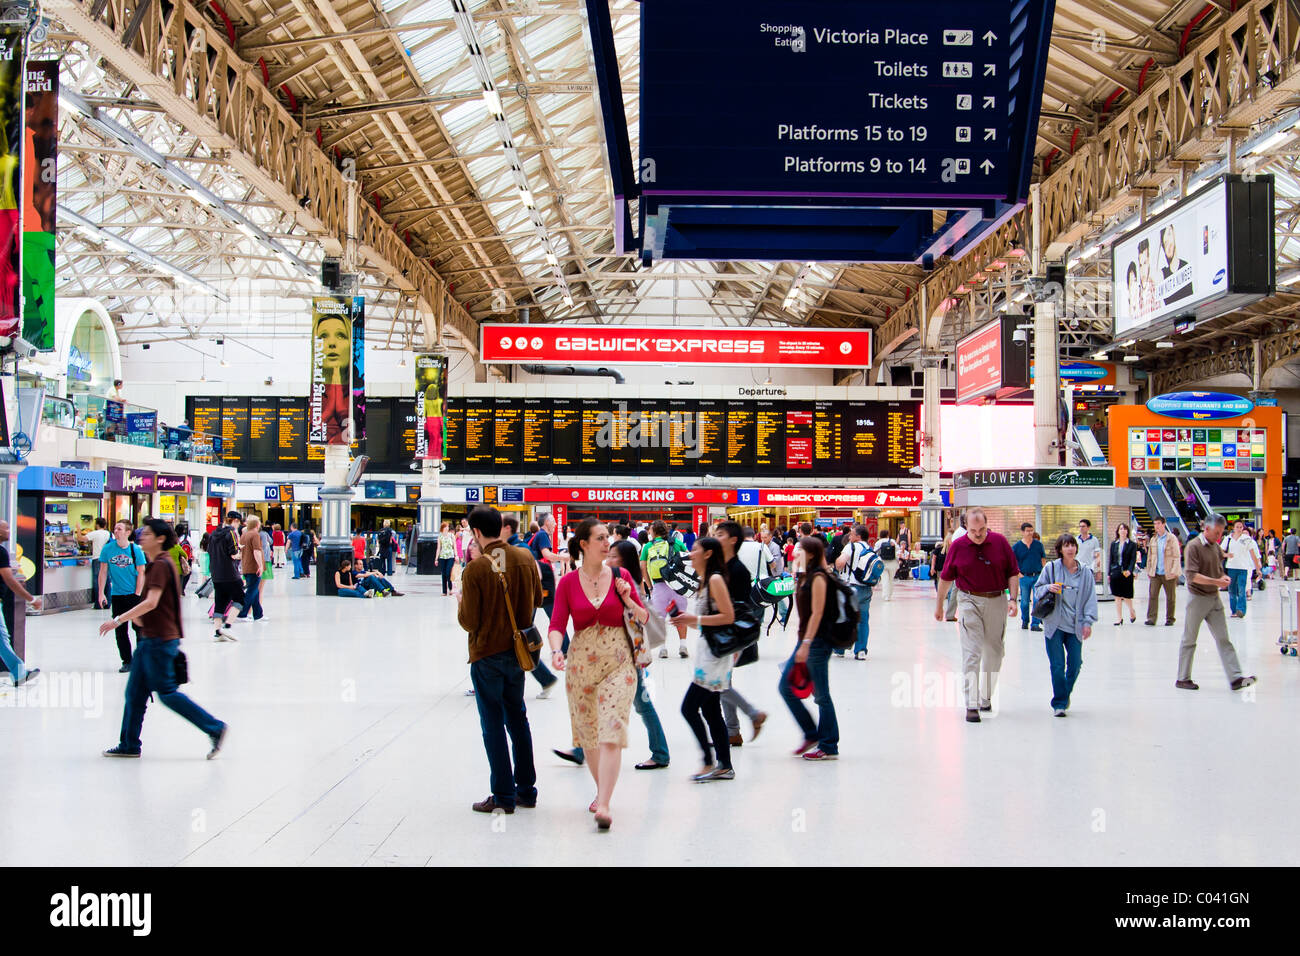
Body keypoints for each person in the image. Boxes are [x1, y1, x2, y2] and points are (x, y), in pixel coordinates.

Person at [546, 519, 648, 826]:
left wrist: (628, 597)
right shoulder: (567, 582)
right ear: (584, 545)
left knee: (611, 731)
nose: (608, 543)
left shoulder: (622, 575)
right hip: (580, 664)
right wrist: (556, 650)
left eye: (608, 537)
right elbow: (555, 625)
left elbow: (642, 617)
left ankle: (604, 804)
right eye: (600, 538)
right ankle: (600, 791)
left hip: (620, 661)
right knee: (589, 735)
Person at [101, 519, 228, 759]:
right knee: (135, 694)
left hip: (159, 640)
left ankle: (215, 727)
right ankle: (129, 743)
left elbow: (151, 602)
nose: (141, 536)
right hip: (151, 639)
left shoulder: (160, 564)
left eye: (147, 534)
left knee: (167, 693)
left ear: (160, 539)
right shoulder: (157, 563)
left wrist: (118, 620)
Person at [553, 539, 671, 772]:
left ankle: (660, 753)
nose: (608, 557)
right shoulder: (616, 579)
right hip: (612, 657)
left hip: (626, 657)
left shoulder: (625, 583)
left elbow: (634, 619)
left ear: (625, 559)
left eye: (614, 555)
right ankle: (581, 750)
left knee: (642, 705)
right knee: (612, 702)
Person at [458, 506, 542, 814]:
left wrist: (461, 601)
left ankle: (503, 795)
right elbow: (538, 599)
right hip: (518, 654)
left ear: (477, 532)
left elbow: (469, 621)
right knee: (518, 719)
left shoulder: (477, 568)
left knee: (492, 724)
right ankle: (527, 790)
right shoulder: (524, 558)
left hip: (487, 655)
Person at [935, 508, 1019, 723]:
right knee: (972, 652)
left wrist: (1013, 600)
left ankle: (985, 696)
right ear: (966, 528)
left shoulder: (1000, 542)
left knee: (995, 652)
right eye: (973, 530)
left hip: (997, 599)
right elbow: (946, 578)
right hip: (969, 599)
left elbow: (1012, 572)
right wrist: (939, 606)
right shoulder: (959, 546)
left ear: (986, 525)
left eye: (982, 529)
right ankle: (971, 703)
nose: (978, 534)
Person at [671, 536, 739, 780]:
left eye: (696, 549)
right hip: (706, 654)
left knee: (689, 708)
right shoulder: (704, 581)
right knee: (711, 711)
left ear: (708, 553)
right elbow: (706, 622)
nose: (691, 553)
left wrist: (694, 620)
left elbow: (728, 616)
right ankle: (723, 765)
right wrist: (686, 620)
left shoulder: (716, 579)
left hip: (714, 658)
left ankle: (709, 761)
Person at [1176, 514, 1256, 692]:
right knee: (1190, 639)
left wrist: (1222, 577)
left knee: (1224, 639)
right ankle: (1183, 678)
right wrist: (1217, 582)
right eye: (1217, 532)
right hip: (1197, 598)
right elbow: (1192, 576)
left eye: (1221, 532)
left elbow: (1218, 570)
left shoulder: (1215, 547)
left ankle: (1236, 678)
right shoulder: (1193, 547)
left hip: (1214, 599)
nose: (1219, 536)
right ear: (1207, 529)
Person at [777, 535, 840, 759]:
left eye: (800, 550)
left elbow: (817, 613)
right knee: (785, 687)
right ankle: (811, 733)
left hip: (817, 642)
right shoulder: (804, 576)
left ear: (812, 554)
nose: (794, 553)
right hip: (806, 641)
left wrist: (806, 643)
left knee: (821, 695)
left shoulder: (819, 578)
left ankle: (829, 745)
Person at [713, 522, 768, 746]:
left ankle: (752, 714)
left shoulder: (736, 570)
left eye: (720, 534)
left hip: (730, 634)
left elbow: (736, 606)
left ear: (733, 540)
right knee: (721, 681)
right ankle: (732, 730)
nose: (716, 538)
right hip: (723, 633)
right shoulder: (723, 566)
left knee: (717, 683)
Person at [1033, 532, 1098, 716]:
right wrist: (1048, 587)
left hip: (1075, 625)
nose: (1070, 548)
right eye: (1066, 545)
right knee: (1057, 665)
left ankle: (1064, 694)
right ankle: (1059, 703)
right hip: (1054, 624)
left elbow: (1090, 598)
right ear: (1060, 549)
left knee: (1076, 663)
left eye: (1072, 545)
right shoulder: (1052, 569)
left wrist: (1088, 622)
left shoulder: (1085, 572)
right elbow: (1037, 590)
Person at [98, 520, 146, 673]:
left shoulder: (135, 550)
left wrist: (137, 593)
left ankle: (140, 660)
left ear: (128, 532)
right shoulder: (107, 549)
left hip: (134, 594)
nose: (116, 530)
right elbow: (103, 572)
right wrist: (101, 593)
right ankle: (127, 661)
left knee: (138, 628)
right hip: (117, 595)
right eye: (115, 528)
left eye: (119, 528)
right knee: (120, 629)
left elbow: (141, 572)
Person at [525, 512, 565, 698]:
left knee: (535, 618)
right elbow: (546, 555)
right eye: (554, 521)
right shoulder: (542, 535)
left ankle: (564, 648)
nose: (556, 523)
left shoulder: (541, 535)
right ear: (547, 522)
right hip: (542, 584)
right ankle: (565, 649)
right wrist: (565, 558)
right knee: (553, 615)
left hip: (540, 583)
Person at [638, 519, 690, 659]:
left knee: (660, 618)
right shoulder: (676, 542)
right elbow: (688, 558)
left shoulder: (648, 546)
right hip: (677, 585)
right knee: (680, 615)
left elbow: (643, 567)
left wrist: (649, 586)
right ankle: (683, 645)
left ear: (653, 531)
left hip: (659, 585)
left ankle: (663, 649)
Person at [0, 520, 41, 686]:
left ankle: (19, 672)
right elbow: (9, 579)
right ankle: (19, 673)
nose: (9, 531)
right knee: (2, 639)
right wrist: (30, 598)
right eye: (6, 528)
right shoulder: (1, 552)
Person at [830, 524, 874, 660]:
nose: (849, 536)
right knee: (863, 619)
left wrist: (838, 560)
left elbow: (840, 564)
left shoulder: (851, 547)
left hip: (850, 587)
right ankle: (861, 650)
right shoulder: (869, 548)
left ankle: (841, 648)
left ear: (858, 536)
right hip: (866, 588)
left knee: (844, 617)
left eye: (852, 534)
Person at [313, 309, 351, 443]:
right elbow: (315, 432)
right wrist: (329, 409)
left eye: (340, 335)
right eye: (323, 336)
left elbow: (350, 435)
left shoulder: (355, 395)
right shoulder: (316, 396)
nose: (332, 343)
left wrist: (340, 407)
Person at [1145, 516, 1181, 626]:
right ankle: (1151, 618)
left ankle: (1170, 618)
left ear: (1164, 524)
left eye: (1158, 523)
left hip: (1168, 572)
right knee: (1153, 595)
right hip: (1156, 573)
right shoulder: (1153, 539)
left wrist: (1174, 570)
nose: (1157, 526)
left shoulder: (1171, 538)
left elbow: (1176, 555)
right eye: (1155, 524)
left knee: (1170, 597)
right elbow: (1150, 556)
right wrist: (1149, 570)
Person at [1224, 519, 1261, 619]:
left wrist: (1258, 569)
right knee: (1231, 590)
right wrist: (1227, 555)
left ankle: (1241, 610)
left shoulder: (1247, 539)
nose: (1239, 529)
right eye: (1237, 527)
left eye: (1241, 527)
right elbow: (1220, 551)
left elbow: (1253, 555)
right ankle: (1234, 610)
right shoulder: (1228, 539)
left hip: (1243, 568)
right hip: (1231, 567)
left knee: (1241, 589)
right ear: (1233, 528)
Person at [1012, 523, 1046, 631]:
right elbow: (1012, 562)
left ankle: (1035, 624)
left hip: (1037, 576)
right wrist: (1019, 574)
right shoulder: (1017, 546)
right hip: (1024, 577)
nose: (1030, 533)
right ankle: (1025, 620)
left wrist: (1044, 573)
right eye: (1027, 530)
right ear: (1022, 532)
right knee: (1025, 601)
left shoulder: (1038, 545)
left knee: (1037, 600)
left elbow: (1043, 559)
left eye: (1031, 530)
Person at [235, 515, 266, 623]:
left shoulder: (244, 535)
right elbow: (256, 551)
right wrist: (260, 566)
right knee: (251, 591)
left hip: (246, 566)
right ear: (257, 525)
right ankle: (242, 613)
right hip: (254, 567)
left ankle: (258, 614)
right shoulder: (255, 535)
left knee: (254, 591)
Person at [1109, 523, 1138, 624]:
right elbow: (1111, 559)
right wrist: (1109, 573)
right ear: (1118, 531)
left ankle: (1131, 611)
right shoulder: (1114, 544)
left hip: (1126, 572)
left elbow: (1133, 559)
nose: (1123, 530)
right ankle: (1119, 618)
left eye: (1125, 529)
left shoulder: (1132, 545)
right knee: (1117, 595)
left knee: (1126, 595)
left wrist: (1130, 570)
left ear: (1127, 531)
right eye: (1121, 529)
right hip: (1116, 571)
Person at [87, 517, 111, 610]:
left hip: (97, 558)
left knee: (97, 581)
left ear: (97, 524)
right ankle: (108, 603)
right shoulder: (109, 533)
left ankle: (98, 603)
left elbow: (81, 538)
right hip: (108, 558)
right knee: (107, 580)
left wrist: (78, 529)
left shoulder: (95, 533)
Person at [874, 527, 899, 601]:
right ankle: (889, 595)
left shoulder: (878, 542)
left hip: (882, 563)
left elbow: (875, 552)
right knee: (890, 579)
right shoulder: (892, 541)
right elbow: (898, 549)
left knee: (885, 579)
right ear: (888, 535)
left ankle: (885, 595)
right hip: (892, 562)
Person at [1076, 519, 1102, 589]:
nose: (1081, 528)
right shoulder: (1076, 540)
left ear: (1088, 527)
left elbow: (1098, 556)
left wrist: (1098, 571)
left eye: (1083, 526)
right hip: (1077, 568)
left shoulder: (1094, 540)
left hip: (1089, 568)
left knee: (1088, 588)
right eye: (1080, 526)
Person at [437, 521, 457, 595]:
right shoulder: (440, 536)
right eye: (446, 527)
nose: (447, 528)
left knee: (448, 572)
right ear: (442, 528)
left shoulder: (452, 535)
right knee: (443, 573)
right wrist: (436, 558)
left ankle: (451, 588)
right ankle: (444, 591)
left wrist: (456, 555)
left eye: (448, 526)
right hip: (442, 556)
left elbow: (454, 546)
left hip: (450, 556)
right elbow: (438, 548)